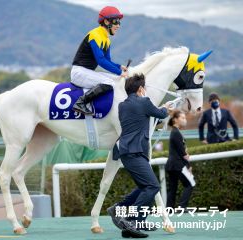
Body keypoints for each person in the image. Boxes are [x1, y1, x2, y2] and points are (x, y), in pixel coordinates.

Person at [108, 73, 172, 238]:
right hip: (136, 152)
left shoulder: (123, 105)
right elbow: (161, 114)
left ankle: (125, 216)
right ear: (140, 89)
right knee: (153, 187)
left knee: (145, 186)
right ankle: (132, 220)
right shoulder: (144, 102)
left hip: (126, 151)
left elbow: (142, 120)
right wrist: (166, 108)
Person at [71, 6, 128, 115]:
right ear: (106, 21)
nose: (118, 25)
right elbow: (101, 61)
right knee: (109, 82)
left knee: (116, 79)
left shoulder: (106, 39)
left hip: (87, 72)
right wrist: (120, 72)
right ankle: (81, 103)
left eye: (119, 22)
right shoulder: (95, 34)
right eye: (116, 21)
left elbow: (107, 60)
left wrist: (119, 67)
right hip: (79, 72)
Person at [165, 110, 194, 212]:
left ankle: (169, 209)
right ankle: (182, 207)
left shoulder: (174, 132)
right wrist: (188, 165)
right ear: (175, 120)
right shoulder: (176, 133)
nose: (184, 120)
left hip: (171, 165)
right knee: (190, 183)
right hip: (178, 165)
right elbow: (183, 153)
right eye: (182, 118)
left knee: (172, 188)